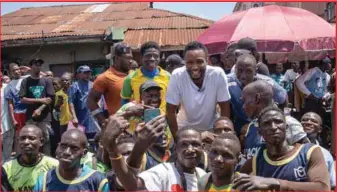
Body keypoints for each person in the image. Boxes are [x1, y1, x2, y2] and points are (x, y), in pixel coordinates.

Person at [102, 114, 206, 191]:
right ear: (175, 148)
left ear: (203, 148)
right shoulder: (164, 172)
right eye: (184, 144)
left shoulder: (202, 175)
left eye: (195, 144)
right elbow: (132, 187)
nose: (190, 149)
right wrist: (112, 150)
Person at [236, 107, 330, 191]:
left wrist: (274, 183)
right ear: (260, 132)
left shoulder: (309, 152)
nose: (273, 127)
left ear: (286, 127)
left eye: (278, 121)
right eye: (266, 124)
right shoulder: (256, 161)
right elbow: (233, 184)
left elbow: (323, 188)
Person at [166, 41, 231, 139]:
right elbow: (170, 111)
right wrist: (177, 138)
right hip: (185, 128)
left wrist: (220, 136)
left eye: (199, 61)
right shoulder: (177, 75)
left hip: (211, 128)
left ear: (207, 60)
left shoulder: (217, 74)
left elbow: (225, 108)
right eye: (190, 62)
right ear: (184, 62)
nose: (195, 67)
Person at [227, 54, 287, 134]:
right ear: (235, 70)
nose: (243, 76)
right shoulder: (227, 82)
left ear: (255, 71)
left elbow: (283, 99)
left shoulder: (267, 83)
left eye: (248, 71)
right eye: (240, 71)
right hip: (239, 125)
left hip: (264, 125)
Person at [241, 80, 301, 160]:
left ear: (257, 98)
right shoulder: (251, 126)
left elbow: (305, 156)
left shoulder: (287, 122)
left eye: (244, 101)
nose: (243, 107)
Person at [33, 129, 109, 191]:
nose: (67, 152)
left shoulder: (97, 180)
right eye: (63, 146)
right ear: (57, 147)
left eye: (74, 148)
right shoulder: (44, 179)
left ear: (84, 153)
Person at [88, 43, 133, 128]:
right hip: (119, 128)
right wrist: (103, 121)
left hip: (138, 127)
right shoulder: (105, 77)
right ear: (116, 58)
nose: (131, 61)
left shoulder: (135, 75)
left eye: (131, 58)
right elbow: (91, 100)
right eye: (127, 58)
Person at [2, 125, 58, 191]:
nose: (26, 142)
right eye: (22, 138)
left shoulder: (54, 166)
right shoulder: (7, 168)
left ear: (41, 142)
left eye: (32, 138)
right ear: (18, 141)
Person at [121, 41, 171, 112]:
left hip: (162, 120)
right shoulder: (130, 78)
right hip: (139, 121)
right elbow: (124, 101)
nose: (152, 59)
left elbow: (173, 101)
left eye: (156, 56)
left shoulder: (168, 77)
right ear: (141, 57)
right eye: (148, 55)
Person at [19, 58, 55, 156]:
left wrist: (39, 109)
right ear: (31, 67)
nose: (38, 66)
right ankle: (32, 158)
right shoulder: (26, 81)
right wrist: (40, 100)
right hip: (31, 117)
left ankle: (47, 160)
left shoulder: (46, 81)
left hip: (45, 116)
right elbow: (22, 99)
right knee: (31, 139)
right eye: (36, 64)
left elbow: (50, 98)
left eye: (39, 64)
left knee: (46, 139)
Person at [69, 65, 98, 142]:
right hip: (80, 118)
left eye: (89, 73)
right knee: (81, 140)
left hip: (93, 117)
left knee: (94, 140)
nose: (87, 75)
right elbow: (70, 102)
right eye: (85, 73)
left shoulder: (93, 85)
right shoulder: (74, 86)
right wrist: (74, 117)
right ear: (78, 74)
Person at [6, 63, 27, 153]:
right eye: (14, 70)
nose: (16, 71)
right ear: (10, 73)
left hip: (29, 111)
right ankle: (20, 154)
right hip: (18, 113)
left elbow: (43, 75)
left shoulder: (27, 79)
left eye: (18, 69)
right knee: (19, 135)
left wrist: (27, 69)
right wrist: (13, 119)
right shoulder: (9, 86)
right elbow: (10, 103)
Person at [1, 79, 14, 162]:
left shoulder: (6, 87)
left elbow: (10, 103)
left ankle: (6, 169)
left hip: (7, 122)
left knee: (7, 149)